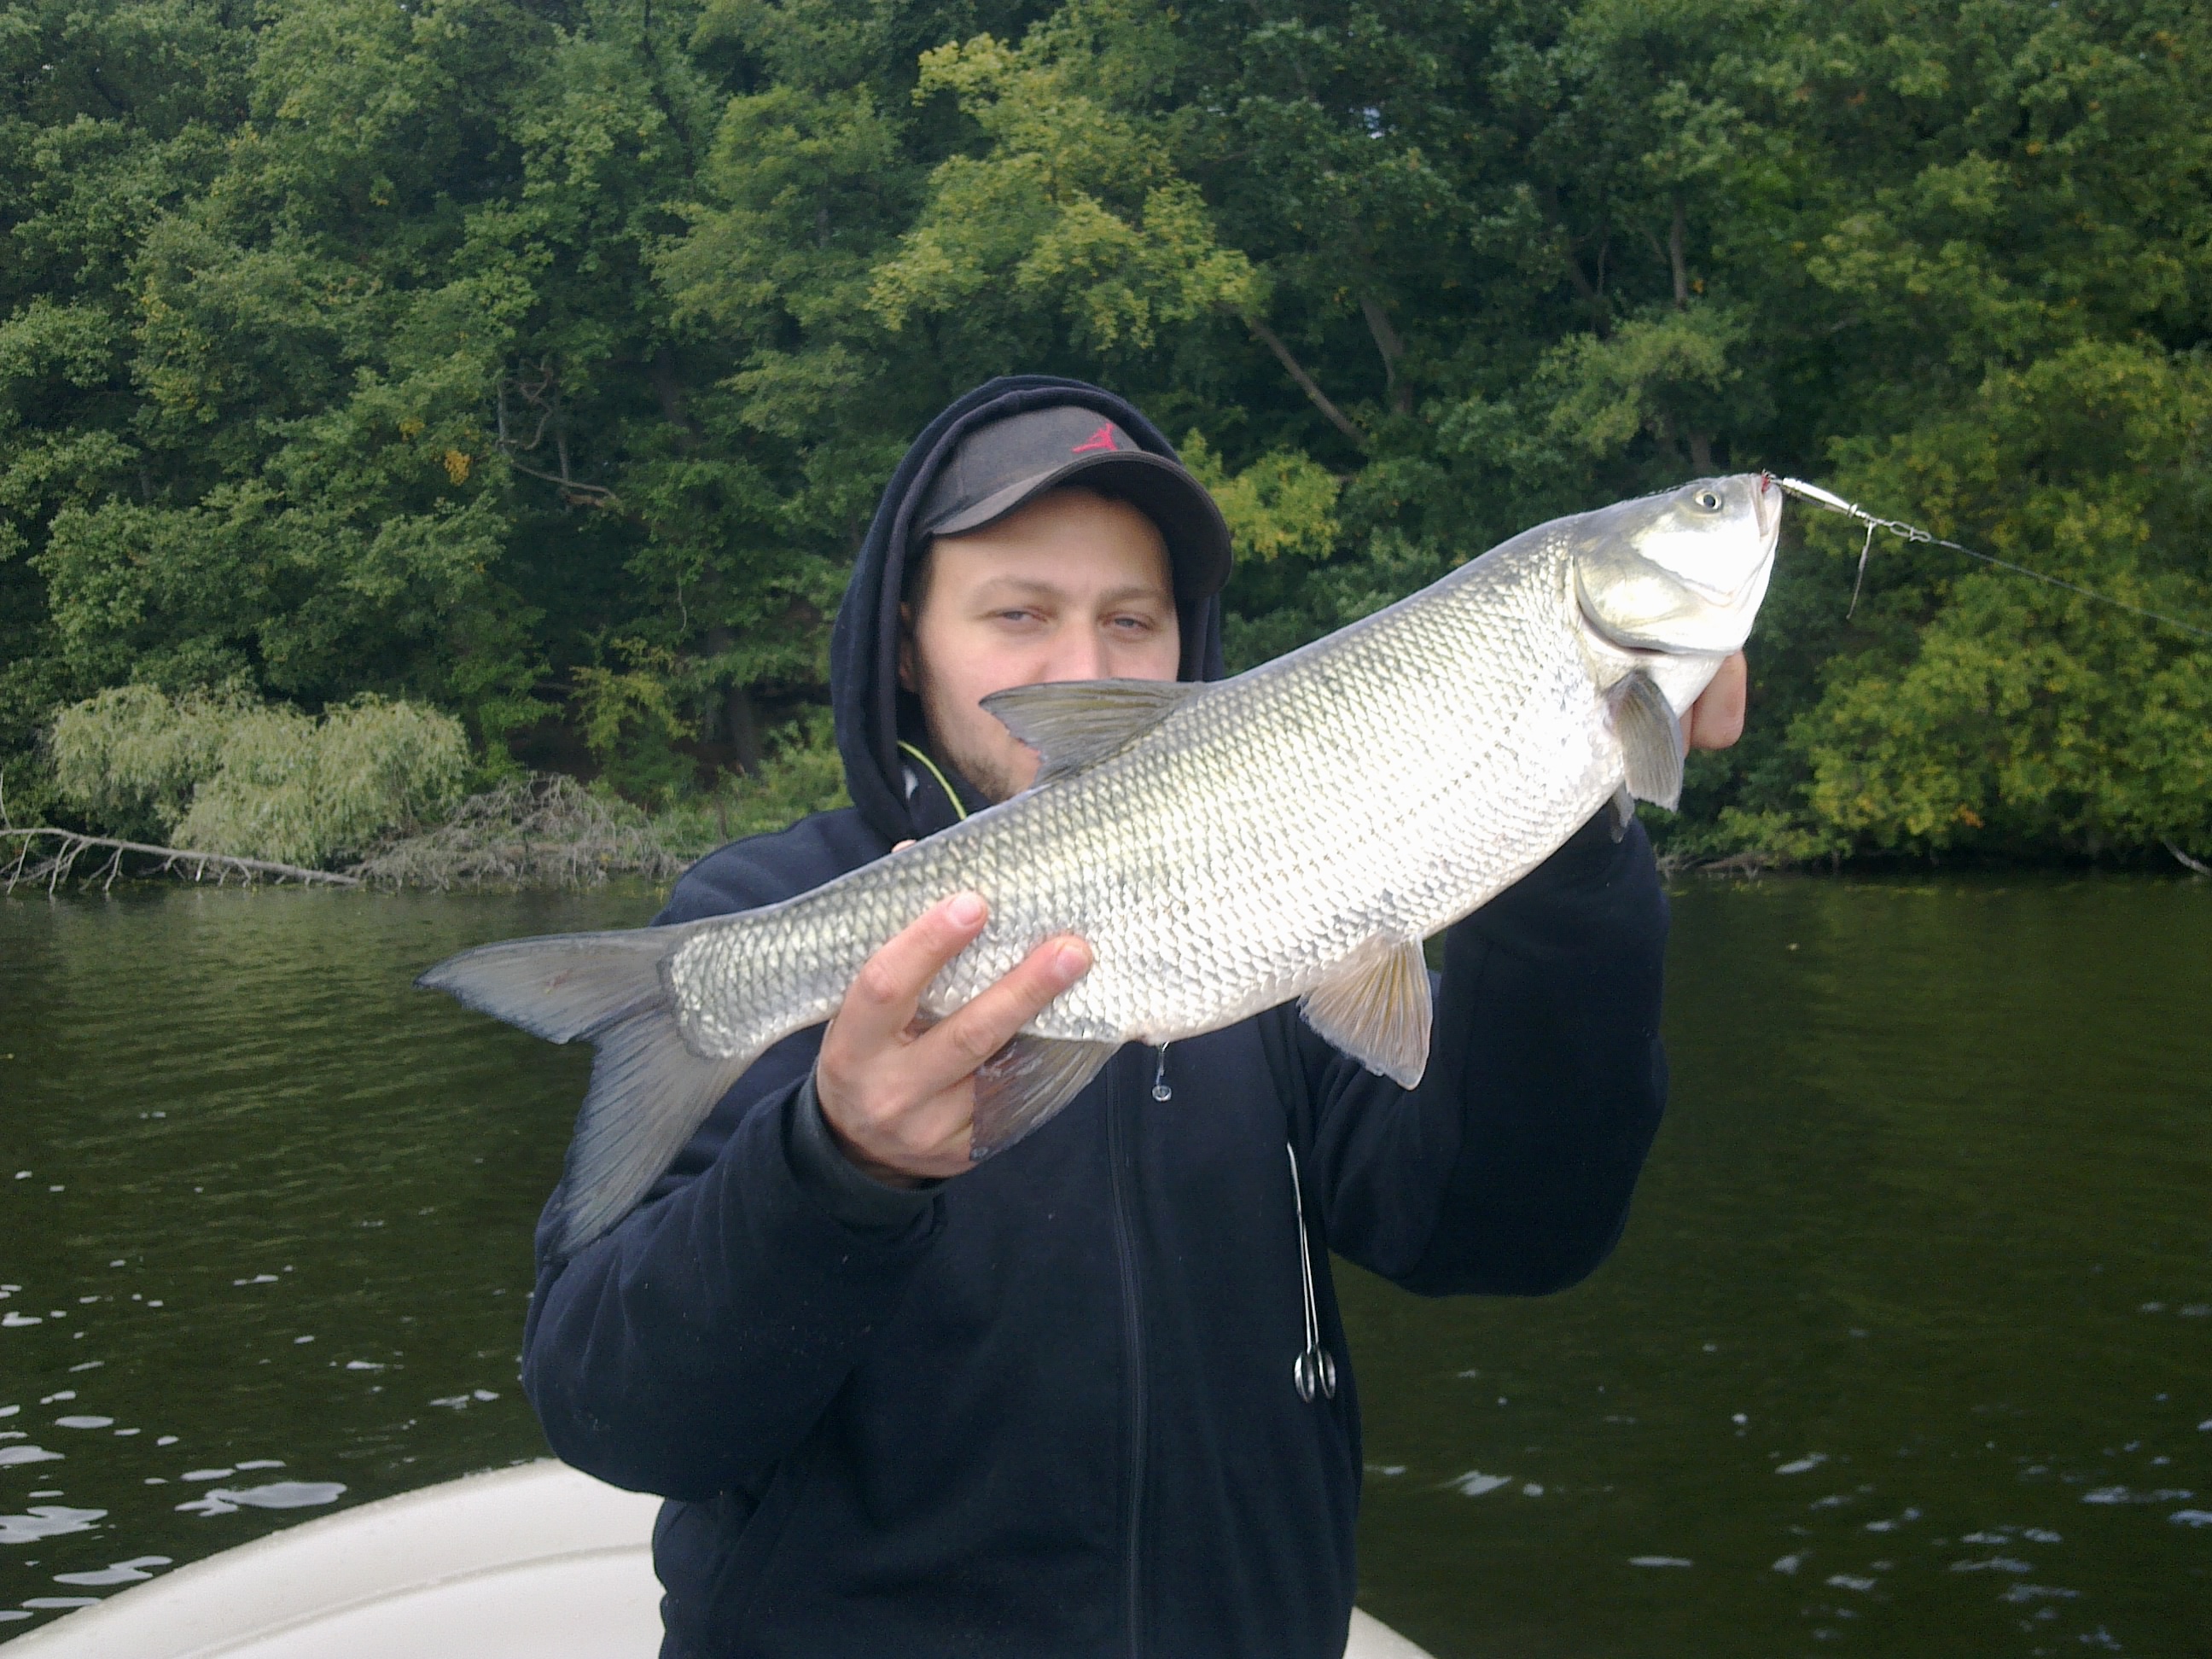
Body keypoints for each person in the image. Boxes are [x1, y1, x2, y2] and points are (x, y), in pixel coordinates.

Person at [520, 375, 1748, 1659]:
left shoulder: (1282, 926)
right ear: (903, 644)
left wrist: (1567, 841)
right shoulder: (753, 915)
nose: (1085, 666)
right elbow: (614, 1415)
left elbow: (1511, 1228)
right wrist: (833, 1171)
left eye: (1133, 618)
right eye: (1017, 615)